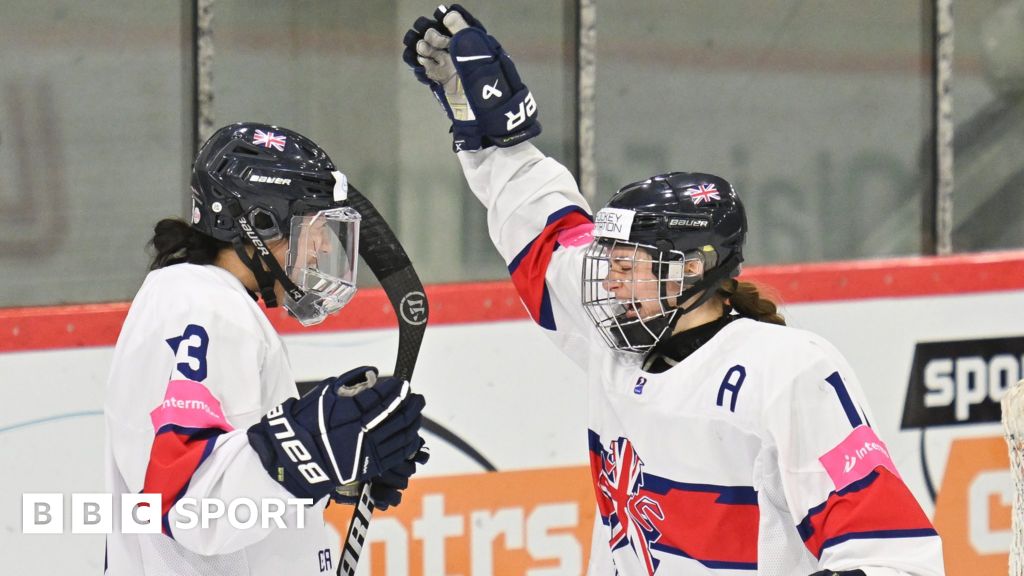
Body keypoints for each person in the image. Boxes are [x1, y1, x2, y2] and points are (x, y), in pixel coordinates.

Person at [403, 6, 945, 576]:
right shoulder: (617, 331)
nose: (606, 279)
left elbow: (893, 556)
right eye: (606, 259)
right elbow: (542, 223)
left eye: (627, 263)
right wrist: (482, 122)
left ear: (691, 269)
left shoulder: (787, 373)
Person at [103, 122, 428, 575]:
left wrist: (337, 457)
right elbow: (189, 504)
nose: (322, 248)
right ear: (259, 223)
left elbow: (240, 463)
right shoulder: (200, 307)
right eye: (315, 229)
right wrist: (309, 448)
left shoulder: (213, 303)